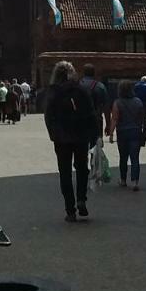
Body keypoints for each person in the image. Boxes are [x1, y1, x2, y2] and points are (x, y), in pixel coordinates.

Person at [44, 61, 96, 221]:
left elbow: (48, 116)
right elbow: (91, 114)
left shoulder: (53, 92)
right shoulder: (82, 90)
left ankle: (70, 210)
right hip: (81, 136)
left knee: (65, 173)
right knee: (82, 169)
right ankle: (81, 199)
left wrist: (53, 134)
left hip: (62, 138)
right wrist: (93, 135)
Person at [107, 80, 146, 191]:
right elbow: (141, 118)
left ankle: (123, 180)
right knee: (135, 158)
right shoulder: (138, 101)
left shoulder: (117, 102)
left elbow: (114, 119)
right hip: (135, 131)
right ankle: (135, 182)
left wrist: (111, 134)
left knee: (123, 157)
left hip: (122, 132)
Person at [78, 64, 110, 144]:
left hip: (80, 121)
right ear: (94, 73)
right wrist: (108, 124)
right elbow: (106, 107)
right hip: (96, 121)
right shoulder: (100, 86)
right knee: (96, 150)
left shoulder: (77, 86)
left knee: (80, 150)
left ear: (83, 73)